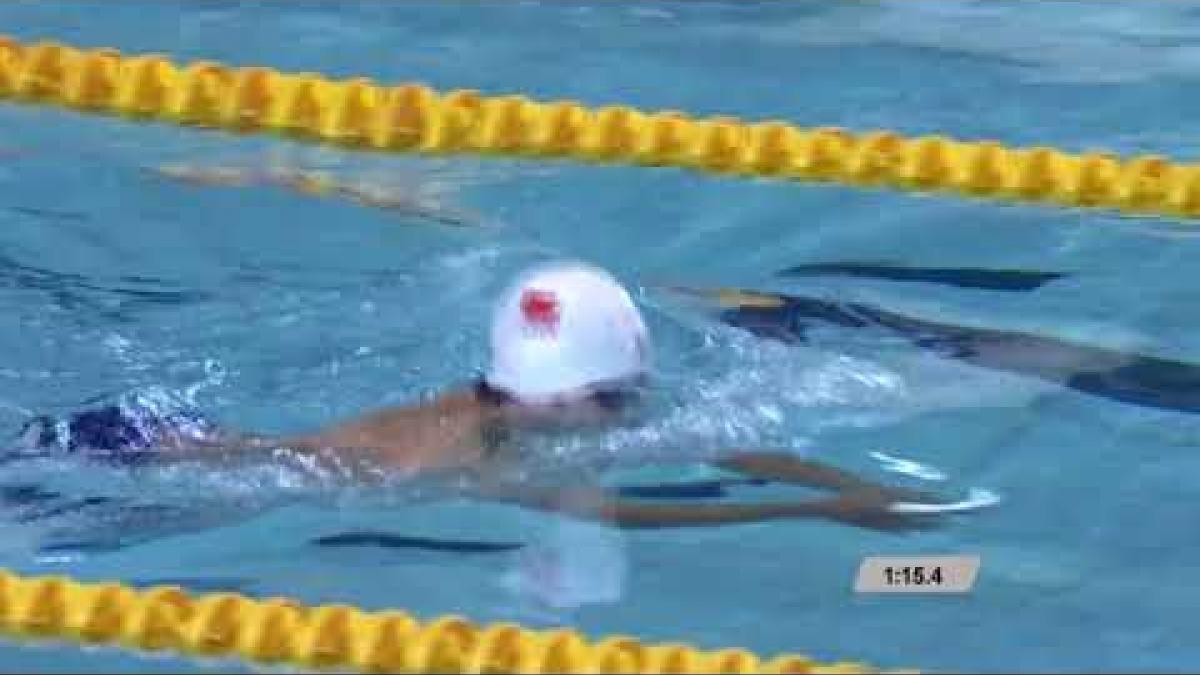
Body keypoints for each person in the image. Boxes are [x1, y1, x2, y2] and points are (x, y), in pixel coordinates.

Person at [16, 262, 964, 532]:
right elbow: (628, 513)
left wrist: (835, 485)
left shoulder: (503, 410)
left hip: (142, 432)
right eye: (617, 399)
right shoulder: (485, 454)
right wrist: (813, 506)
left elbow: (715, 441)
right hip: (114, 469)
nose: (631, 414)